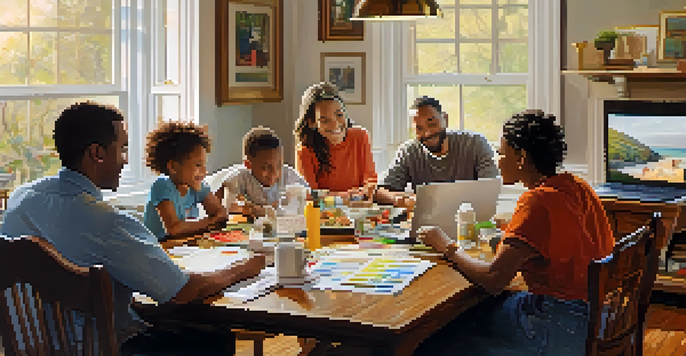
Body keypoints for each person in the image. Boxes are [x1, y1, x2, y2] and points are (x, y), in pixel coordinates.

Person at [1, 102, 265, 355]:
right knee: (214, 339)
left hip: (32, 347)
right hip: (102, 348)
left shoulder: (22, 197)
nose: (125, 161)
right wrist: (244, 269)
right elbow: (183, 290)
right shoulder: (106, 222)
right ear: (97, 153)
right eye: (122, 149)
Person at [413, 110, 616, 356]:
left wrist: (445, 245)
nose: (498, 160)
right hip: (597, 316)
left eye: (501, 152)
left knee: (434, 340)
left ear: (520, 156)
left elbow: (494, 280)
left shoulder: (537, 201)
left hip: (560, 326)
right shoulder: (577, 186)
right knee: (475, 312)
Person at [374, 96, 498, 207]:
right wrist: (400, 199)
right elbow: (380, 192)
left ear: (445, 119)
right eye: (419, 128)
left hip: (469, 220)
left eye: (432, 124)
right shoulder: (408, 151)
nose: (427, 133)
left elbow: (491, 188)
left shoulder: (475, 143)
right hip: (425, 224)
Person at [143, 121, 228, 240]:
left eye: (204, 164)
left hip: (184, 245)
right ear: (173, 167)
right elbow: (174, 229)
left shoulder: (197, 185)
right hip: (159, 248)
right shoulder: (162, 185)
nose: (204, 171)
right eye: (198, 165)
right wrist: (210, 222)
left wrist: (212, 220)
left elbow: (221, 214)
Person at [205, 125, 309, 218]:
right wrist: (243, 208)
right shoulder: (239, 178)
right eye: (266, 167)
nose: (274, 172)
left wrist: (262, 210)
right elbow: (225, 206)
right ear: (248, 165)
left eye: (278, 165)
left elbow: (309, 196)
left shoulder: (288, 175)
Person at [295, 82, 377, 199]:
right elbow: (310, 195)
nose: (335, 124)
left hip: (360, 209)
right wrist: (349, 195)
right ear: (312, 123)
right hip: (325, 214)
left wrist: (333, 195)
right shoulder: (304, 152)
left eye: (339, 115)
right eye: (324, 120)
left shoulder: (360, 137)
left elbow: (371, 183)